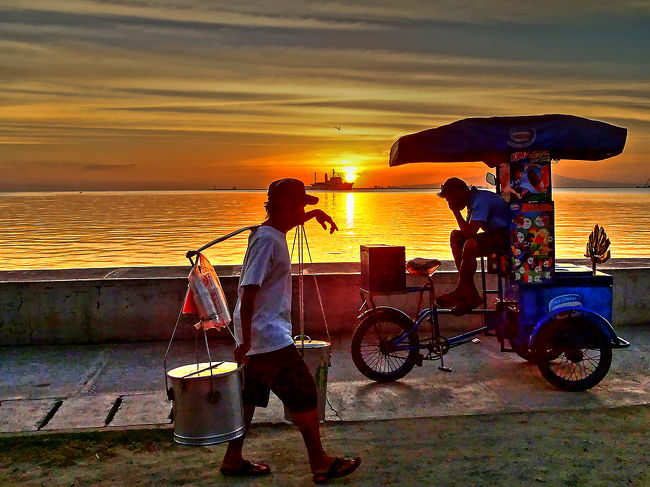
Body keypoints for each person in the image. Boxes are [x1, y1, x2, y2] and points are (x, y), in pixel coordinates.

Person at [220, 178, 361, 484]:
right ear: (285, 206)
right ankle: (320, 463)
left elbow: (287, 223)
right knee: (304, 392)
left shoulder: (271, 233)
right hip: (266, 336)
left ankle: (233, 458)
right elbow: (249, 290)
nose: (303, 211)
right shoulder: (267, 241)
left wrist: (315, 216)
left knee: (248, 397)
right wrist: (245, 341)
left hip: (259, 335)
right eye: (300, 206)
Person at [436, 177, 510, 313]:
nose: (450, 203)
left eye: (451, 199)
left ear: (461, 192)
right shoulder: (472, 202)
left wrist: (456, 212)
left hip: (508, 237)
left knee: (470, 244)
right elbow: (464, 233)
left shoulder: (481, 200)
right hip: (495, 235)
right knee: (456, 237)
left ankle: (464, 292)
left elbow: (470, 233)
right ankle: (469, 292)